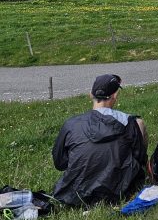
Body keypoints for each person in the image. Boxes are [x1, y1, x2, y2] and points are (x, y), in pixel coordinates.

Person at [52, 74, 148, 208]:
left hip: (75, 194)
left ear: (90, 95)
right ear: (115, 95)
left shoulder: (71, 124)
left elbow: (60, 163)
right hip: (120, 191)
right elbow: (139, 158)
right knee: (140, 125)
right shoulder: (133, 123)